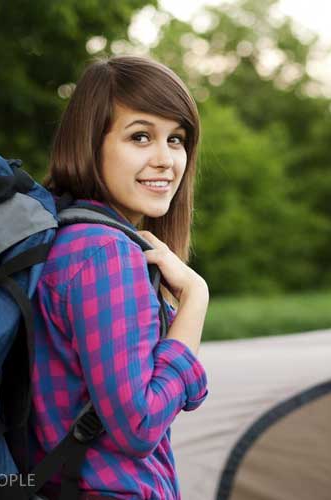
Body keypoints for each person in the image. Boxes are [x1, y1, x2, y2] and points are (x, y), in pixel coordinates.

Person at [29, 55, 210, 500]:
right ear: (92, 145)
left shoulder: (68, 236)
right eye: (141, 136)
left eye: (177, 139)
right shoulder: (106, 252)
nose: (166, 160)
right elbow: (140, 425)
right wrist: (196, 299)